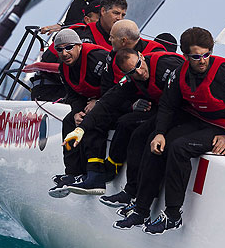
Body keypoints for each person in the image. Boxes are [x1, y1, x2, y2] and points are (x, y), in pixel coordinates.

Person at [114, 27, 225, 234]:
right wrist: (160, 132)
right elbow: (167, 105)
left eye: (206, 54)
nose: (202, 60)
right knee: (157, 142)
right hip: (199, 122)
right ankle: (141, 209)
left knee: (179, 147)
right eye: (196, 56)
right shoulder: (178, 74)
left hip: (224, 130)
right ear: (185, 56)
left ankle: (173, 215)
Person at [61, 48, 185, 195]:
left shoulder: (166, 65)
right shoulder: (131, 79)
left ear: (141, 56)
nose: (139, 72)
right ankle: (108, 172)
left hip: (189, 115)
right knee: (125, 123)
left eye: (138, 65)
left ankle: (137, 195)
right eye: (132, 72)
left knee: (141, 135)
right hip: (166, 112)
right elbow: (107, 102)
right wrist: (81, 129)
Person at [31, 0, 127, 102]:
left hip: (88, 94)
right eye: (116, 13)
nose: (119, 18)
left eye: (123, 15)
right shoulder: (80, 34)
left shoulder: (120, 42)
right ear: (103, 11)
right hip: (53, 89)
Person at [46, 29, 109, 198]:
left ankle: (95, 174)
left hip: (115, 101)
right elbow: (73, 95)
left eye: (69, 48)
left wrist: (99, 101)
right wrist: (76, 112)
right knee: (69, 121)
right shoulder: (64, 69)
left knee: (91, 122)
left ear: (79, 46)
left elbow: (117, 84)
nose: (65, 53)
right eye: (59, 49)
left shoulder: (97, 58)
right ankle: (73, 173)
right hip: (93, 103)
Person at [101, 19, 166, 95]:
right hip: (118, 99)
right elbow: (106, 82)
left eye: (112, 37)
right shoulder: (114, 54)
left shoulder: (155, 52)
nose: (109, 40)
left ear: (123, 41)